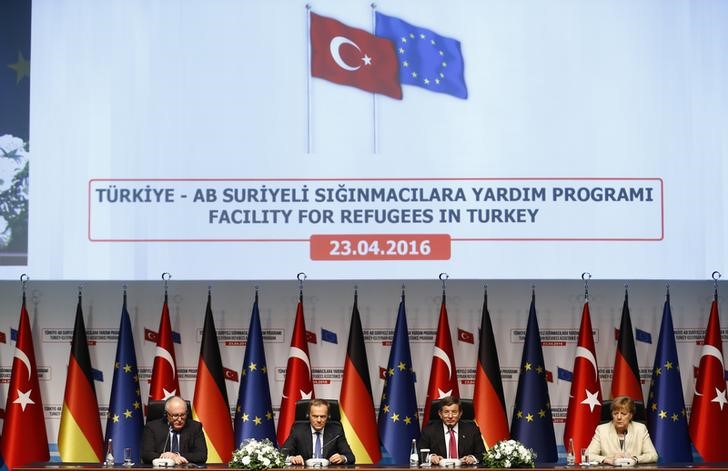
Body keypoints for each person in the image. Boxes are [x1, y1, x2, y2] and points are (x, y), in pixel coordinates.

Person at [586, 396, 658, 465]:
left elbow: (653, 455)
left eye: (623, 414)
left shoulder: (640, 429)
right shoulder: (602, 430)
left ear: (630, 415)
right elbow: (587, 455)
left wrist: (634, 459)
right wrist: (607, 459)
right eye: (615, 413)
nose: (619, 417)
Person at [281, 398, 355, 465]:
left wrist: (342, 458)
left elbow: (350, 457)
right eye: (315, 416)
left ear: (328, 416)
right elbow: (282, 454)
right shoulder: (298, 430)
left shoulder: (336, 431)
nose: (319, 420)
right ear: (308, 415)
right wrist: (292, 458)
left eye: (323, 416)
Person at [141, 396, 207, 465]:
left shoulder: (195, 427)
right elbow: (146, 455)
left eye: (183, 415)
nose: (179, 419)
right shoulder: (152, 427)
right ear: (166, 414)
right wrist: (168, 457)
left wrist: (176, 455)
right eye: (175, 415)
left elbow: (202, 455)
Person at [419, 396, 484, 465]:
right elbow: (419, 453)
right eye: (446, 412)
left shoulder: (472, 430)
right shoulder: (429, 431)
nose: (450, 416)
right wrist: (431, 457)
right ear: (440, 414)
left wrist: (472, 458)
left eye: (454, 412)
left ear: (460, 414)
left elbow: (482, 454)